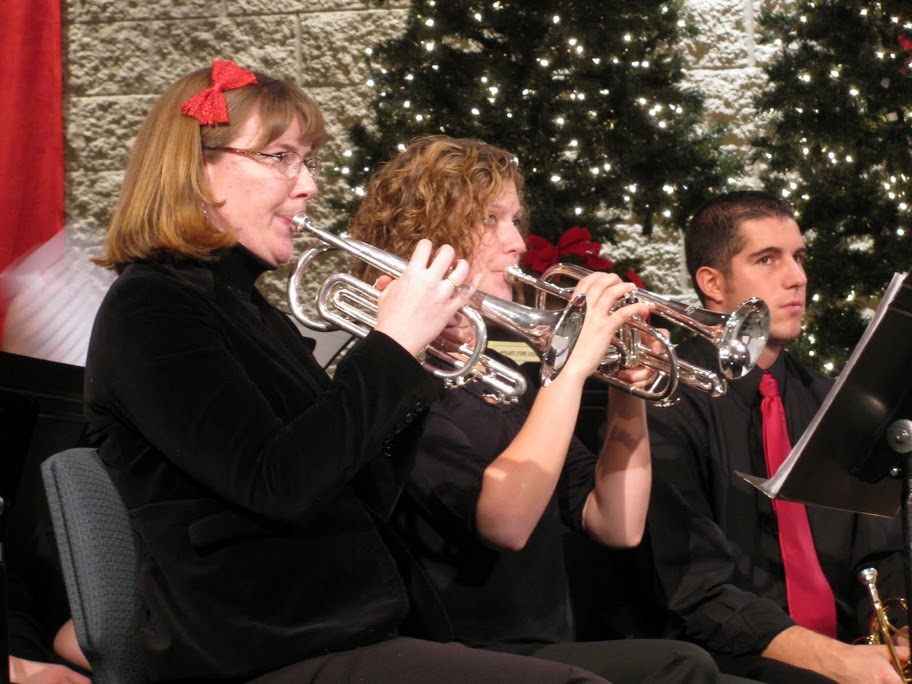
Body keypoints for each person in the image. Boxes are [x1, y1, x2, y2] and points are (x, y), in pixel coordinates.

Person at [82, 60, 613, 684]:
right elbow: (278, 484)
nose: (307, 185)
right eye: (281, 158)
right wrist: (391, 346)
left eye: (308, 161)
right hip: (260, 643)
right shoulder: (152, 307)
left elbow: (363, 496)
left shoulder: (252, 311)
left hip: (340, 627)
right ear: (195, 170)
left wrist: (418, 360)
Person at [347, 134, 742, 683]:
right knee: (684, 667)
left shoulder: (510, 373)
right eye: (490, 219)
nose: (516, 242)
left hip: (543, 648)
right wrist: (571, 368)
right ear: (427, 235)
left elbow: (617, 523)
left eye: (514, 220)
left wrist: (628, 392)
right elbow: (505, 523)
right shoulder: (400, 375)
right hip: (458, 654)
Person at [644, 190, 909, 684]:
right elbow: (695, 591)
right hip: (725, 661)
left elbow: (880, 553)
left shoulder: (832, 400)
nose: (797, 278)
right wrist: (836, 662)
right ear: (712, 284)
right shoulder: (663, 402)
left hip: (852, 651)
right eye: (767, 259)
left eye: (799, 257)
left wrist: (898, 635)